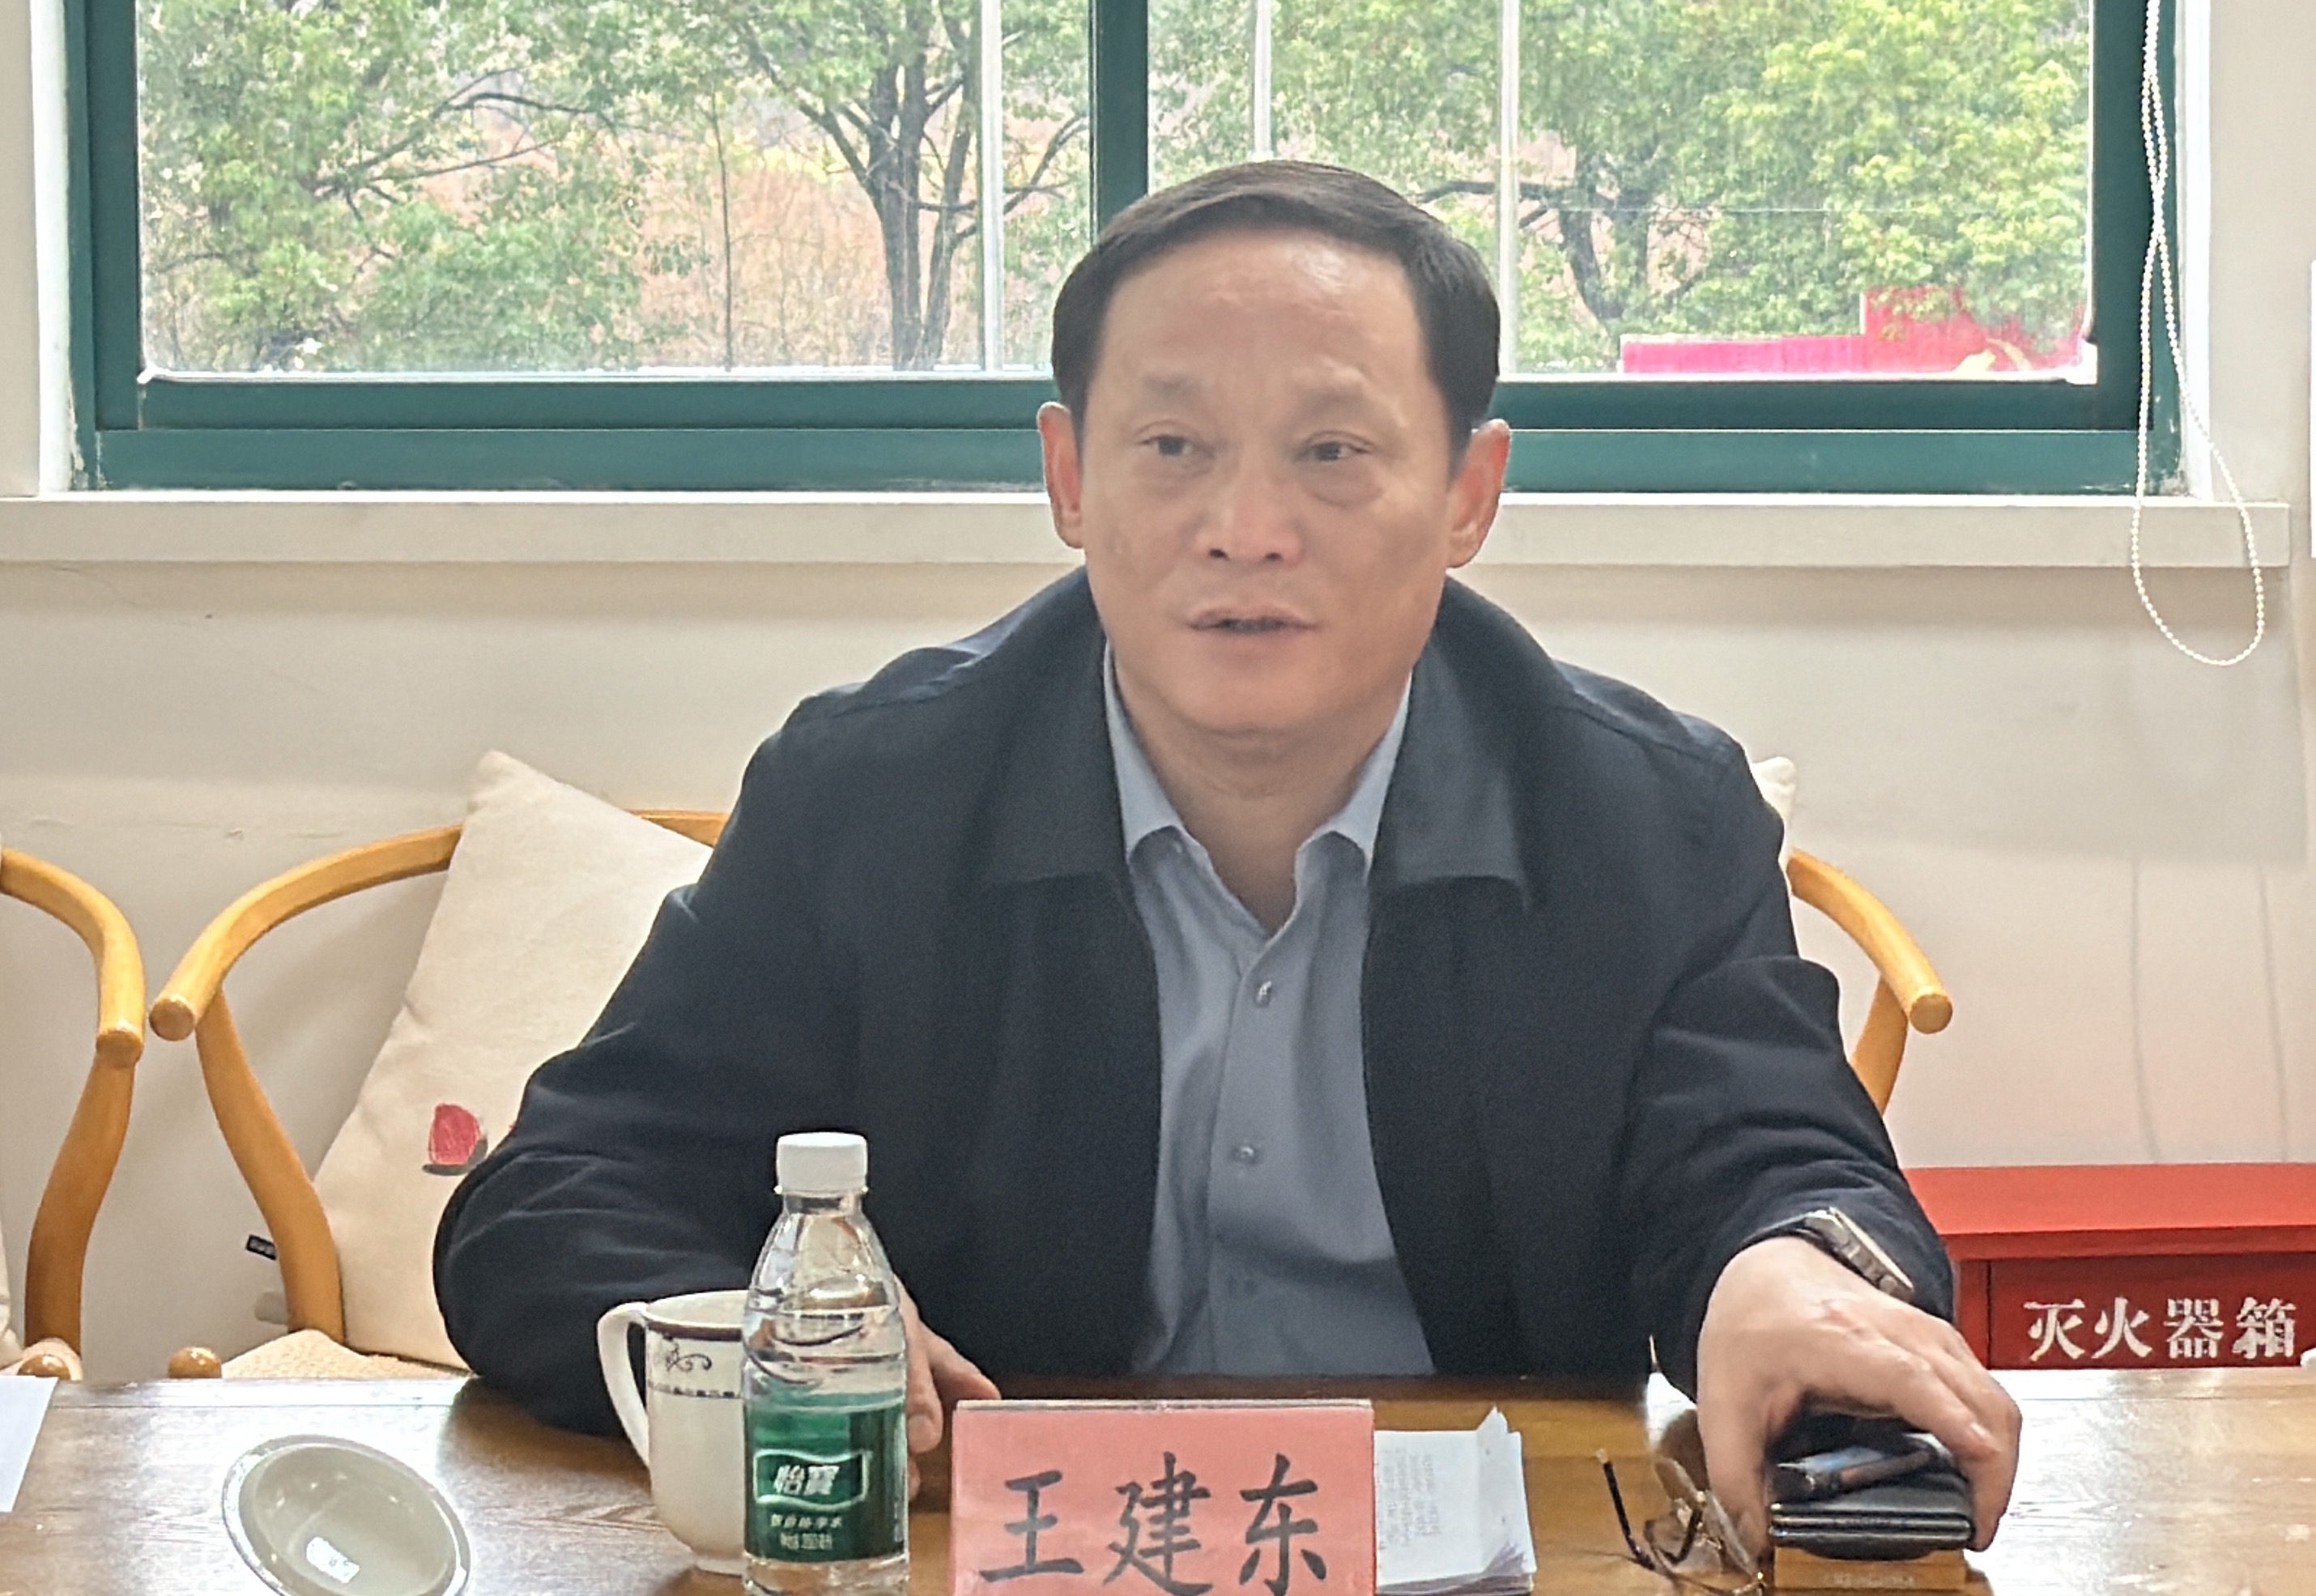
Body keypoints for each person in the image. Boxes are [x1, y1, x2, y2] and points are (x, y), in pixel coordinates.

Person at [434, 160, 2020, 1555]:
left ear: (1468, 493)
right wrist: (757, 1335)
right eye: (1172, 444)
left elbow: (1775, 1162)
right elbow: (554, 1198)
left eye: (1332, 451)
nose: (1244, 526)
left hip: (1490, 1554)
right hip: (999, 1554)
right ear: (1069, 478)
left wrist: (1782, 1281)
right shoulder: (868, 798)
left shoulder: (1645, 817)